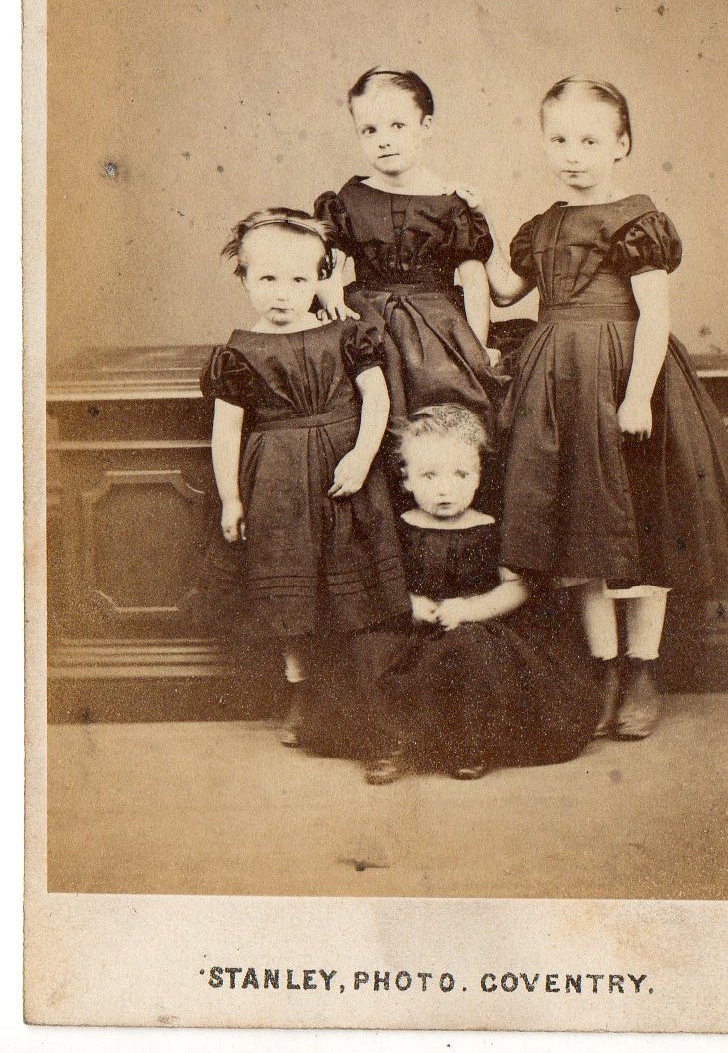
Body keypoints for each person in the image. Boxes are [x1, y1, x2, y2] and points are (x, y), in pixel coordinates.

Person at [475, 77, 728, 740]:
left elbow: (654, 314)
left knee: (642, 529)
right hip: (559, 387)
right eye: (560, 139)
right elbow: (506, 290)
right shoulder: (543, 226)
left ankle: (643, 672)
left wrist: (636, 394)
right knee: (582, 531)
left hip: (626, 380)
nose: (573, 154)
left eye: (591, 141)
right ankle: (603, 669)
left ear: (621, 145)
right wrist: (473, 227)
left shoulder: (635, 220)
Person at [198, 207, 409, 748]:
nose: (282, 293)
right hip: (278, 482)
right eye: (267, 278)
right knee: (290, 591)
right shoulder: (238, 352)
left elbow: (377, 398)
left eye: (298, 279)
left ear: (321, 277)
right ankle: (302, 691)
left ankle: (366, 694)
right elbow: (227, 431)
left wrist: (361, 456)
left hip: (343, 474)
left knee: (352, 578)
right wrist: (231, 499)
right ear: (244, 279)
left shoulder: (347, 334)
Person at [367, 404, 600, 784]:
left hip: (477, 626)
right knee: (373, 649)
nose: (445, 489)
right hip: (416, 628)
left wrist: (470, 609)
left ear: (478, 475)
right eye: (429, 475)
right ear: (406, 479)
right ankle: (396, 742)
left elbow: (517, 587)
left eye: (461, 474)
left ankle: (470, 745)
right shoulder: (399, 528)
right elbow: (381, 582)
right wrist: (409, 604)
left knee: (473, 652)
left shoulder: (490, 528)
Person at [312, 67, 507, 428]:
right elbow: (329, 266)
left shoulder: (451, 202)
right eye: (370, 130)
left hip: (436, 327)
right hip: (368, 321)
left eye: (397, 126)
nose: (383, 141)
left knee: (439, 410)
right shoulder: (349, 199)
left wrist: (476, 345)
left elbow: (474, 281)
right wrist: (334, 304)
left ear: (425, 126)